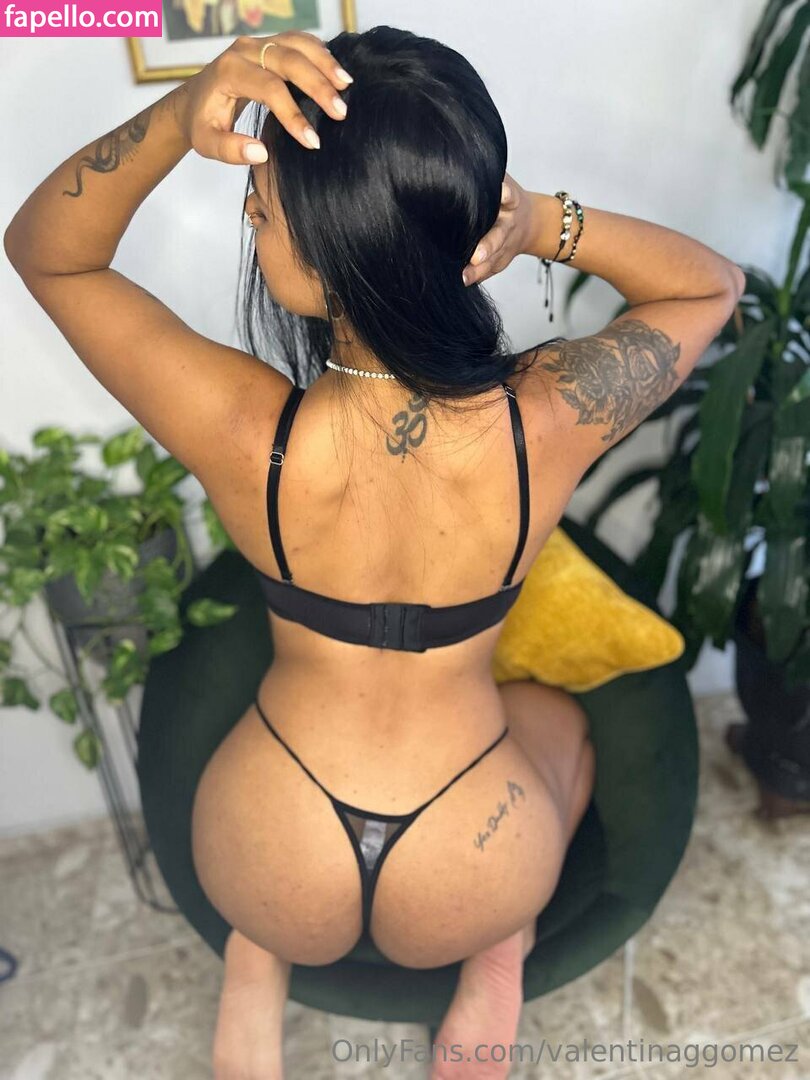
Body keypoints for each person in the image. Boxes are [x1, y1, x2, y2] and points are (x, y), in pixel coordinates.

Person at [4, 24, 745, 1080]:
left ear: (328, 256)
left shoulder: (243, 429)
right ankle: (498, 953)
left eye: (263, 208)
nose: (251, 218)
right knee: (564, 725)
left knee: (268, 884)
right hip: (470, 861)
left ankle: (256, 966)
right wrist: (537, 222)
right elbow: (709, 288)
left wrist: (177, 114)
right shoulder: (547, 418)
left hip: (273, 850)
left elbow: (47, 249)